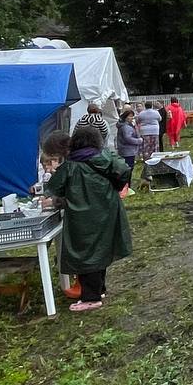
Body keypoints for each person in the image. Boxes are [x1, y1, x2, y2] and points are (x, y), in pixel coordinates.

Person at [41, 126, 132, 312]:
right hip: (108, 209)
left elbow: (55, 189)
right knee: (101, 249)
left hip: (84, 216)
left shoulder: (71, 165)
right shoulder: (104, 156)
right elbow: (123, 170)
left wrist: (55, 200)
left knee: (85, 254)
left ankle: (91, 298)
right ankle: (99, 290)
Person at [116, 108, 143, 189]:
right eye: (131, 116)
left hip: (127, 150)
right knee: (128, 169)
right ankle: (126, 187)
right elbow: (128, 138)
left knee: (128, 169)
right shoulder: (126, 127)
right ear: (126, 117)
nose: (132, 118)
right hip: (127, 151)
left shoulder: (128, 126)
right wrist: (138, 141)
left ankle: (127, 186)